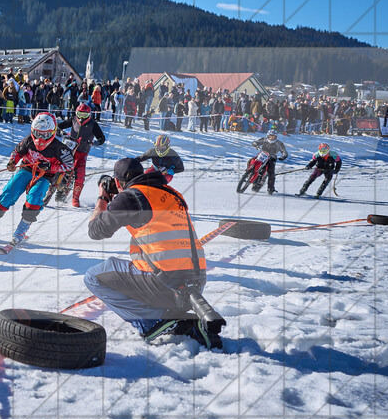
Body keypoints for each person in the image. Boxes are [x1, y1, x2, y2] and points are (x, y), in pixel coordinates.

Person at [84, 158, 221, 349]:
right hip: (196, 283)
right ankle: (172, 316)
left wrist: (104, 198)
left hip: (166, 284)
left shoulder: (131, 197)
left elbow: (95, 231)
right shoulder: (173, 194)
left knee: (93, 276)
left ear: (117, 182)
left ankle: (151, 322)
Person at [0, 112, 73, 247]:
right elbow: (17, 151)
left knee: (34, 199)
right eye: (37, 133)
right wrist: (12, 161)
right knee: (8, 194)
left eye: (44, 134)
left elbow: (69, 165)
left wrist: (50, 166)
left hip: (44, 176)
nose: (40, 138)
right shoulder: (29, 140)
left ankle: (20, 232)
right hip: (26, 170)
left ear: (52, 133)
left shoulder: (60, 148)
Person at [56, 103, 107, 207]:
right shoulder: (74, 119)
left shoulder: (93, 124)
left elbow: (101, 139)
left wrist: (93, 143)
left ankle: (75, 198)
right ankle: (57, 189)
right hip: (70, 149)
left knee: (79, 175)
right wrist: (59, 131)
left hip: (82, 152)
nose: (81, 117)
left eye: (84, 115)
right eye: (79, 114)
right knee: (61, 167)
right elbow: (60, 126)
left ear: (89, 115)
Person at [251, 129, 288, 194]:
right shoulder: (264, 139)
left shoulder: (279, 143)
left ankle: (270, 188)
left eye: (273, 137)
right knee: (251, 161)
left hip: (272, 158)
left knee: (271, 173)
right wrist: (255, 144)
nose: (271, 138)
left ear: (276, 137)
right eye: (270, 136)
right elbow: (256, 142)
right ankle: (248, 172)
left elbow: (284, 151)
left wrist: (283, 156)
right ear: (267, 136)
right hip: (262, 155)